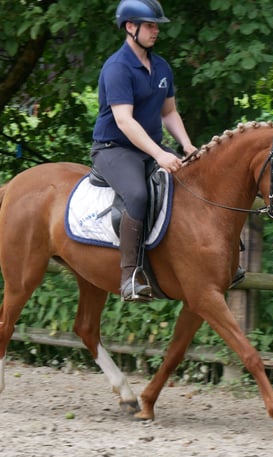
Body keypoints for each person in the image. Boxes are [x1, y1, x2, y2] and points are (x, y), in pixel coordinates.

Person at [91, 0, 197, 302]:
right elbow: (124, 121)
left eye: (156, 27)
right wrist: (160, 154)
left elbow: (169, 113)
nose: (155, 32)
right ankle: (130, 276)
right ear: (130, 27)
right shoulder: (117, 67)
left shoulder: (161, 66)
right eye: (150, 26)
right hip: (114, 149)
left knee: (193, 179)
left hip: (149, 147)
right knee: (137, 195)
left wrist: (186, 145)